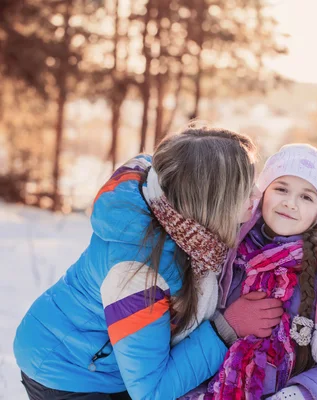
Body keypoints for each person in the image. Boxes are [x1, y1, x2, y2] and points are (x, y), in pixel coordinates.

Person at [13, 126, 285, 400]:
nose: (257, 194)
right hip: (68, 371)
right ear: (208, 200)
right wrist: (227, 327)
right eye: (244, 188)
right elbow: (151, 392)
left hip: (109, 360)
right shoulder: (135, 273)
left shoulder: (176, 204)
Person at [182, 143, 317, 400]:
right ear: (262, 194)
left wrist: (302, 394)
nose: (290, 203)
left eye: (306, 197)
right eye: (281, 189)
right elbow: (184, 334)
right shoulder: (224, 255)